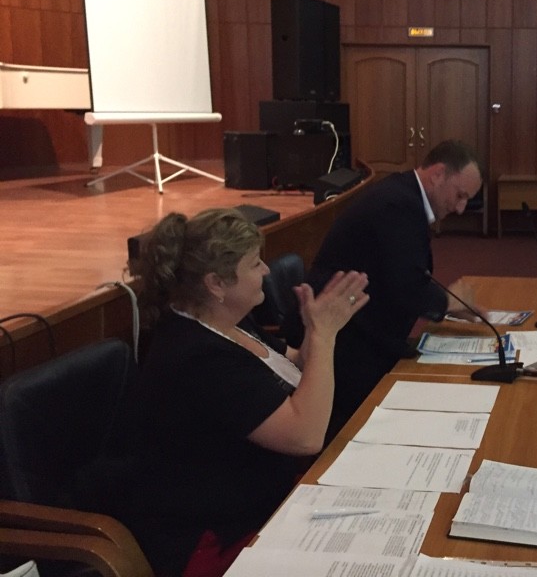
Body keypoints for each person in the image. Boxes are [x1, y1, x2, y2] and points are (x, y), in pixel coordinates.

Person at [91, 208, 369, 577]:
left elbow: (294, 364)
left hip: (267, 503)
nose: (266, 271)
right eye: (254, 263)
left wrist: (317, 331)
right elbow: (305, 436)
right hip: (216, 540)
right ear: (216, 284)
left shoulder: (227, 323)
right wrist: (324, 336)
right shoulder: (196, 355)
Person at [288, 139, 485, 445]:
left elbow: (405, 278)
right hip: (343, 343)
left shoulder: (402, 195)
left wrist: (445, 304)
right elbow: (405, 288)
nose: (460, 208)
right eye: (460, 195)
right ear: (438, 174)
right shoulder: (398, 206)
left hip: (358, 326)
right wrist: (447, 301)